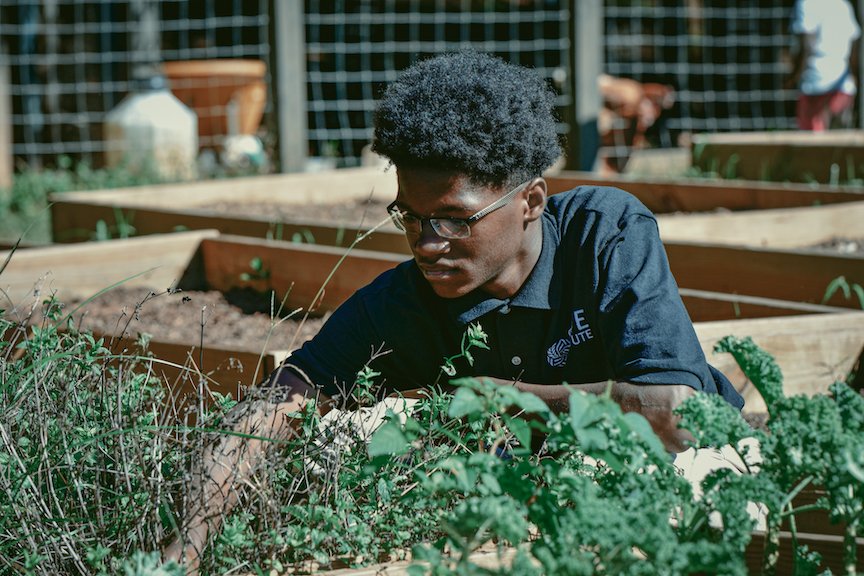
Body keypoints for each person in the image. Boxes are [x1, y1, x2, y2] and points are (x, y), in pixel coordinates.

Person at [164, 51, 743, 570]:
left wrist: (499, 398)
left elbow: (676, 414)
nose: (426, 243)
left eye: (453, 219)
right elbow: (273, 408)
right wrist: (182, 555)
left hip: (684, 489)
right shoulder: (401, 301)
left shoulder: (605, 232)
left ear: (530, 202)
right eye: (409, 217)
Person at [789, 0, 861, 131]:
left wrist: (794, 76)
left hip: (815, 83)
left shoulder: (806, 3)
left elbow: (806, 45)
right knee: (840, 146)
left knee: (813, 147)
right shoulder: (842, 5)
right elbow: (854, 46)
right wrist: (855, 78)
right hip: (843, 85)